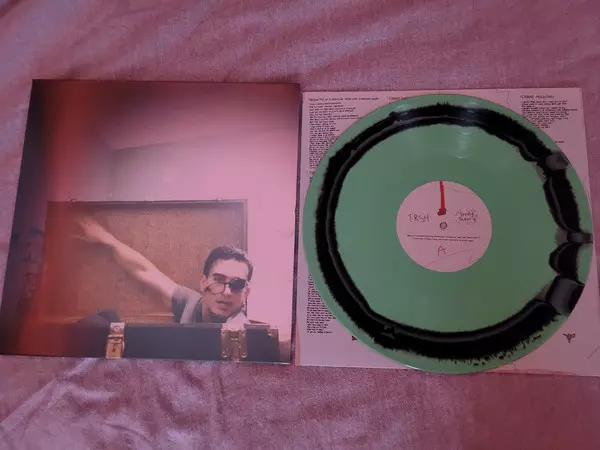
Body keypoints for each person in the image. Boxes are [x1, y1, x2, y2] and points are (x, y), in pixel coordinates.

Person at [75, 217, 254, 325]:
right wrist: (107, 240)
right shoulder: (191, 302)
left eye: (237, 284)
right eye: (219, 280)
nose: (227, 292)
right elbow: (145, 270)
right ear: (203, 282)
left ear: (246, 293)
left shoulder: (245, 333)